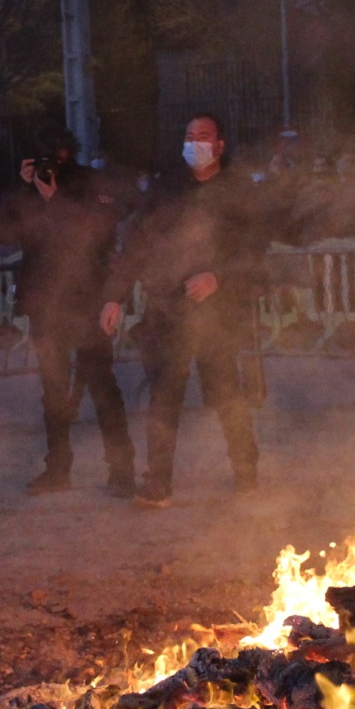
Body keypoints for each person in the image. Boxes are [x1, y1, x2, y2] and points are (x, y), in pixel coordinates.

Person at [99, 113, 263, 508]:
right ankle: (158, 483)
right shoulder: (167, 189)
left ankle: (245, 471)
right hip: (168, 309)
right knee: (163, 396)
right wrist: (114, 296)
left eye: (204, 137)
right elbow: (137, 243)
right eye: (190, 136)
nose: (196, 143)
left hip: (216, 314)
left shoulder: (238, 193)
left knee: (226, 394)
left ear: (220, 145)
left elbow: (254, 252)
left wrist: (218, 277)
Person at [8, 131, 135, 496]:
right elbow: (9, 231)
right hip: (46, 301)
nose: (51, 161)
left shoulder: (89, 182)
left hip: (87, 298)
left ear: (68, 151)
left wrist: (55, 198)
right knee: (53, 391)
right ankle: (58, 469)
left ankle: (121, 469)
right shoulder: (30, 186)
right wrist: (24, 190)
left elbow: (99, 230)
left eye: (56, 153)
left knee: (101, 385)